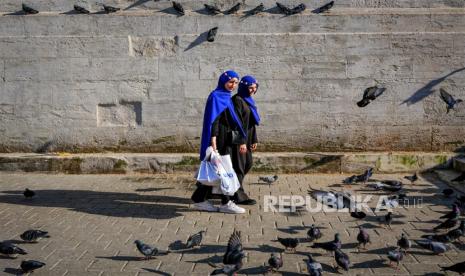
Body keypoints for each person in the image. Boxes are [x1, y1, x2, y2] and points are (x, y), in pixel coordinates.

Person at [191, 70, 247, 214]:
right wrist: (214, 142)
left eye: (235, 83)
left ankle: (199, 199)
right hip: (219, 138)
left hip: (226, 137)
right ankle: (226, 202)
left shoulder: (226, 96)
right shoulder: (216, 96)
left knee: (219, 170)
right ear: (223, 81)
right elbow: (214, 120)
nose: (233, 85)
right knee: (224, 170)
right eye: (230, 82)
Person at [231, 75, 260, 205]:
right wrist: (241, 142)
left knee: (247, 164)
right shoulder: (237, 100)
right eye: (250, 88)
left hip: (247, 138)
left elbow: (251, 123)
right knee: (239, 167)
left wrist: (254, 139)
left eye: (255, 88)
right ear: (243, 87)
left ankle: (230, 190)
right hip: (238, 139)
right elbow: (236, 123)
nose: (252, 90)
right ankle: (238, 196)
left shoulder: (248, 101)